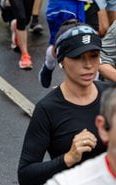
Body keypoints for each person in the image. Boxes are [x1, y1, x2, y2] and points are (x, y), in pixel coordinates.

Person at [18, 21, 108, 185]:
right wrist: (68, 158)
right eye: (78, 57)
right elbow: (25, 175)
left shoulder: (111, 94)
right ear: (61, 60)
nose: (88, 65)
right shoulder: (47, 109)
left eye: (93, 56)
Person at [45, 85, 116, 185]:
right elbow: (25, 175)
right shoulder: (66, 182)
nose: (88, 68)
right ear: (103, 129)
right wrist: (68, 158)